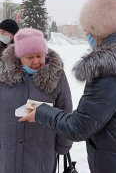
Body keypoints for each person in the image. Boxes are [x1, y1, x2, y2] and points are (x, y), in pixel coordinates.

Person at [20, 0, 116, 172]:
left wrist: (40, 111)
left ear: (97, 32)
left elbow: (78, 127)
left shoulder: (108, 74)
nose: (86, 36)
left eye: (87, 32)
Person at [0, 28, 72, 173]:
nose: (36, 61)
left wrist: (63, 145)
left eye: (40, 55)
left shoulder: (57, 77)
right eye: (29, 57)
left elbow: (66, 112)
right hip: (7, 154)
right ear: (19, 57)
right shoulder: (3, 76)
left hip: (41, 154)